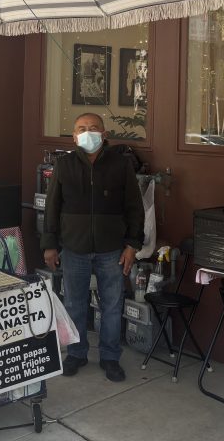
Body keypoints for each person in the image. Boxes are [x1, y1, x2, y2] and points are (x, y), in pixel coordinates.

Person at [41, 112, 144, 381]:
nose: (88, 132)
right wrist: (50, 245)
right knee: (75, 303)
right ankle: (76, 353)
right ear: (74, 136)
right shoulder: (64, 165)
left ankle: (110, 357)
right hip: (74, 248)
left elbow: (135, 207)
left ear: (105, 134)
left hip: (112, 249)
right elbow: (52, 208)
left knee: (112, 305)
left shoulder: (121, 165)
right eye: (82, 128)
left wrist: (133, 244)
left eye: (94, 128)